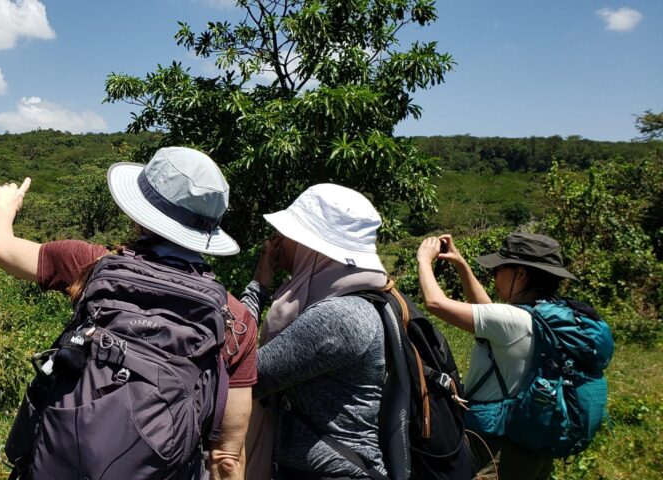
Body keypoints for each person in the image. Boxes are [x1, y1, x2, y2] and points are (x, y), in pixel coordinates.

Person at [0, 147, 258, 479]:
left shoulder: (91, 263)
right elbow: (226, 456)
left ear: (139, 214)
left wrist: (6, 206)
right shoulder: (236, 319)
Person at [244, 184, 392, 480]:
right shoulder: (348, 302)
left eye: (290, 234)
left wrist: (257, 289)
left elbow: (248, 376)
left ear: (314, 247)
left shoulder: (338, 317)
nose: (279, 241)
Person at [415, 232, 578, 479]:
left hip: (498, 450)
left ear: (520, 275)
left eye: (499, 269)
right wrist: (461, 264)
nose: (494, 276)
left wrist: (423, 260)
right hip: (532, 446)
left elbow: (436, 303)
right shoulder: (544, 316)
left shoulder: (511, 321)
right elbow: (488, 310)